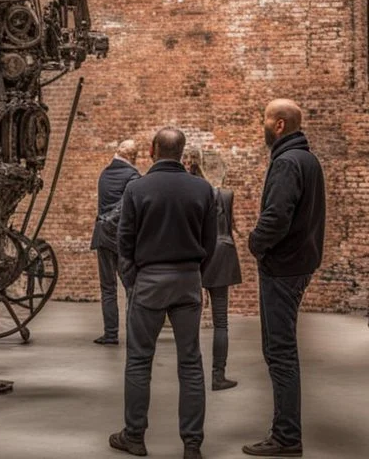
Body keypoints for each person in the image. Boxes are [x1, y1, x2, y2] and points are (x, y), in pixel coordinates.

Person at [111, 127, 216, 459]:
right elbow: (210, 242)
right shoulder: (202, 189)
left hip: (149, 281)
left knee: (140, 361)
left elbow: (123, 242)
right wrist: (197, 275)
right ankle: (192, 444)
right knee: (191, 364)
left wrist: (133, 281)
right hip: (187, 280)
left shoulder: (137, 188)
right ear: (182, 153)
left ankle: (135, 436)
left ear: (154, 150)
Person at [242, 99, 325, 458]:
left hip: (283, 267)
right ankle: (285, 432)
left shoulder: (288, 162)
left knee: (280, 352)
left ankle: (287, 436)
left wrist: (255, 244)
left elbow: (276, 217)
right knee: (282, 350)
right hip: (298, 263)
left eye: (264, 120)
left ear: (278, 125)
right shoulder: (307, 159)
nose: (261, 126)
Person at [185, 147, 242, 391]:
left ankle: (192, 375)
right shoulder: (226, 195)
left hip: (198, 255)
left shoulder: (192, 193)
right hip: (224, 255)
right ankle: (218, 375)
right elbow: (231, 228)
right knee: (221, 322)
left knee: (189, 319)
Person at [91, 139, 140, 345]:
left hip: (102, 235)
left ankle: (111, 334)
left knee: (108, 288)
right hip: (122, 239)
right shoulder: (133, 177)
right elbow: (129, 208)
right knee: (132, 286)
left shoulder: (104, 174)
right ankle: (134, 333)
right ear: (133, 156)